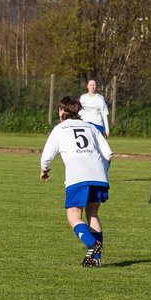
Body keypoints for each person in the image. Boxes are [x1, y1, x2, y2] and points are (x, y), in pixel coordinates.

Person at [40, 96, 113, 266]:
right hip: (99, 176)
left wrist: (44, 170)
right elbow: (108, 154)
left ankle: (92, 244)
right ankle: (95, 260)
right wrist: (102, 170)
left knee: (73, 217)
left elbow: (46, 157)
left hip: (78, 177)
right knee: (92, 214)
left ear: (61, 111)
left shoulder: (60, 129)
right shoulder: (91, 127)